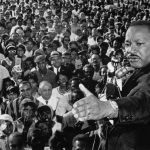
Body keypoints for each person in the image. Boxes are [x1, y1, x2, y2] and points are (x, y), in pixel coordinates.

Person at [72, 21, 150, 150]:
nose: (131, 50)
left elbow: (142, 102)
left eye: (139, 43)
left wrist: (108, 107)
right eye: (128, 44)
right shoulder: (137, 70)